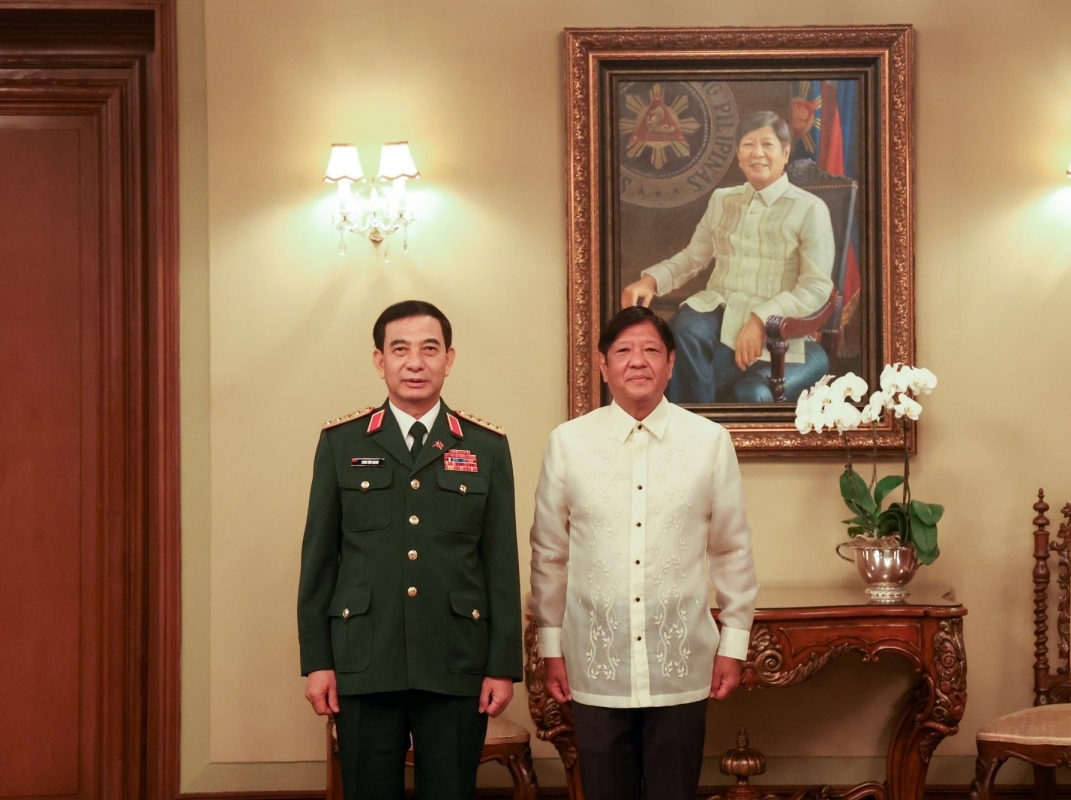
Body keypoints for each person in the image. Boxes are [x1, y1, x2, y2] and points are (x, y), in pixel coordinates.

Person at [529, 305, 758, 800]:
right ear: (604, 364)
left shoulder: (709, 443)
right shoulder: (568, 444)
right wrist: (551, 648)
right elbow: (549, 554)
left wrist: (733, 645)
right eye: (624, 351)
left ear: (672, 364)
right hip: (596, 662)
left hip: (680, 661)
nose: (638, 361)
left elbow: (732, 549)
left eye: (651, 350)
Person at [297, 300, 522, 800]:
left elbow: (500, 566)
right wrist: (317, 660)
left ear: (450, 358)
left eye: (429, 349)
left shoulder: (486, 447)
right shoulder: (342, 442)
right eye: (400, 350)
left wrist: (501, 665)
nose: (415, 362)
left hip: (456, 660)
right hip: (365, 659)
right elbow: (319, 561)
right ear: (379, 361)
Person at [621, 110, 836, 403]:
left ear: (785, 153)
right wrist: (651, 281)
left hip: (777, 322)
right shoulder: (723, 199)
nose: (757, 153)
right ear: (738, 155)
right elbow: (694, 257)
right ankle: (694, 432)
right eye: (748, 145)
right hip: (718, 307)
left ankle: (697, 432)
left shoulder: (810, 209)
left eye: (767, 145)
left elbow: (816, 288)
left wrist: (761, 320)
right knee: (682, 331)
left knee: (692, 365)